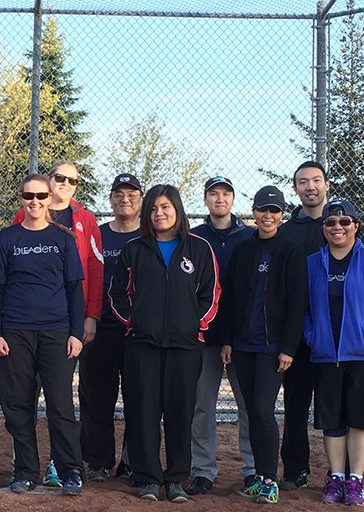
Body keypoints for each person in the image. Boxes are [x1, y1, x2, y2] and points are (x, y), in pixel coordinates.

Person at [109, 184, 220, 503]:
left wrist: (195, 326)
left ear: (178, 210)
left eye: (166, 207)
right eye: (154, 208)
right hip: (142, 346)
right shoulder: (134, 248)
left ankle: (175, 479)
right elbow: (117, 294)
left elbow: (211, 295)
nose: (160, 213)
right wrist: (133, 321)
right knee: (143, 412)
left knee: (179, 413)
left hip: (185, 347)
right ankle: (147, 478)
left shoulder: (198, 248)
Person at [0, 173, 86, 496]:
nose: (35, 202)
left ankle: (70, 470)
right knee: (18, 405)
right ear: (21, 198)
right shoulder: (7, 239)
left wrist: (75, 333)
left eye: (41, 196)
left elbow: (75, 289)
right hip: (15, 332)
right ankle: (26, 471)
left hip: (57, 332)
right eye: (29, 196)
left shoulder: (64, 239)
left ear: (49, 199)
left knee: (60, 405)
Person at [12, 160, 103, 486]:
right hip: (24, 325)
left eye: (72, 180)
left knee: (60, 399)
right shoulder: (25, 215)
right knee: (23, 397)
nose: (64, 183)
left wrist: (89, 317)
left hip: (65, 324)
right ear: (48, 182)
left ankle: (61, 465)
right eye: (59, 177)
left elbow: (94, 270)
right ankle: (23, 467)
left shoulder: (86, 220)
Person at [304, 199, 364, 506]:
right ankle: (335, 478)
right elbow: (302, 307)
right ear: (324, 228)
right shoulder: (312, 263)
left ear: (356, 226)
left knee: (360, 420)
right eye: (331, 223)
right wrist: (312, 336)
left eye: (345, 222)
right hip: (326, 354)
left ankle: (355, 480)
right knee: (332, 421)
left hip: (363, 355)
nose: (338, 228)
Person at [219, 185, 306, 505]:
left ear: (282, 216)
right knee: (252, 413)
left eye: (274, 211)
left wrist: (288, 347)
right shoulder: (243, 249)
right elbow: (228, 299)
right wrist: (227, 339)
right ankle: (257, 476)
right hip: (243, 345)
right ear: (253, 213)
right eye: (262, 210)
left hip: (272, 348)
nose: (267, 216)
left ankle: (270, 479)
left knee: (261, 408)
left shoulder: (291, 251)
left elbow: (298, 304)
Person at [186, 176, 256, 496]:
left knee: (249, 405)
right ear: (205, 200)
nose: (220, 199)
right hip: (205, 334)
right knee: (202, 406)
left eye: (225, 193)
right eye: (213, 194)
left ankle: (253, 469)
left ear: (232, 199)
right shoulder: (194, 238)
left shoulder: (250, 236)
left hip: (244, 336)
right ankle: (202, 470)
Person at [79, 172, 142, 482]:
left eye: (131, 193)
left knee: (138, 399)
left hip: (136, 333)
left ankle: (131, 461)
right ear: (111, 199)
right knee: (96, 399)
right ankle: (98, 460)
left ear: (141, 199)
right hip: (99, 328)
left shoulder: (150, 237)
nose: (125, 198)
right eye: (119, 193)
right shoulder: (98, 235)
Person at [278, 160, 329, 490]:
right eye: (302, 182)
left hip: (332, 333)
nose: (310, 186)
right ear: (295, 189)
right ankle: (295, 469)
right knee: (295, 404)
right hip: (296, 334)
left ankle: (343, 472)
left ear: (326, 185)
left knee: (335, 407)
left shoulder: (340, 224)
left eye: (316, 180)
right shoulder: (286, 232)